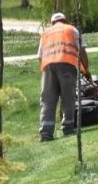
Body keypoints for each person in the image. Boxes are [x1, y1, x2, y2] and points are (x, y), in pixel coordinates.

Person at [38, 12, 91, 142]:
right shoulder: (72, 29)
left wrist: (45, 72)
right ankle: (67, 128)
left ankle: (46, 132)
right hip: (67, 65)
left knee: (48, 100)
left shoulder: (45, 33)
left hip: (48, 67)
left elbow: (40, 56)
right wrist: (86, 71)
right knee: (68, 97)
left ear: (52, 23)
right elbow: (82, 51)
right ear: (66, 20)